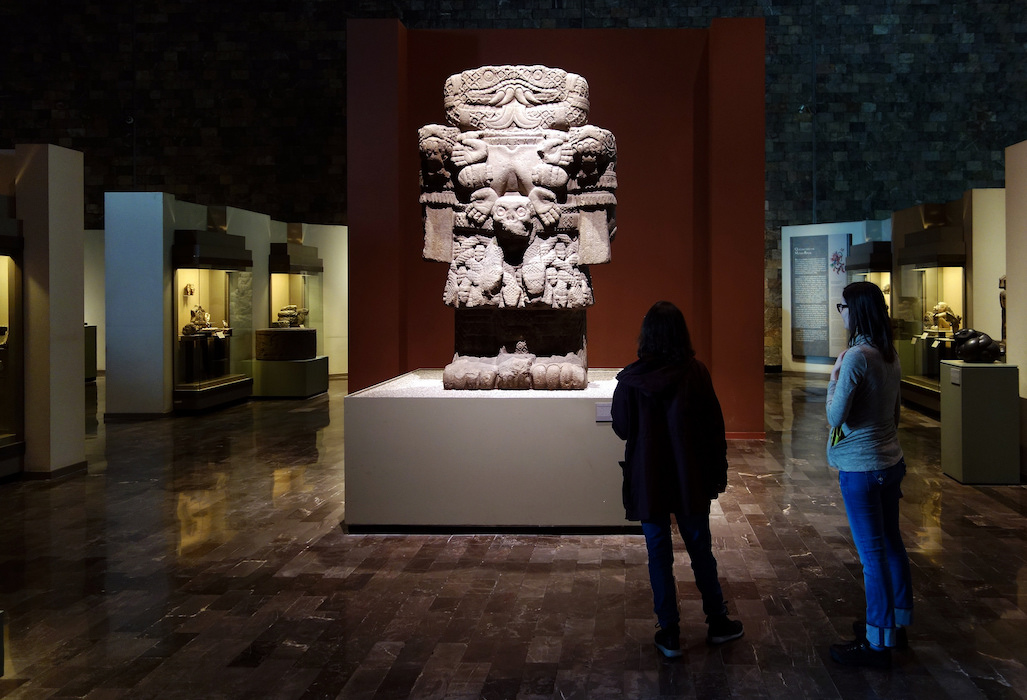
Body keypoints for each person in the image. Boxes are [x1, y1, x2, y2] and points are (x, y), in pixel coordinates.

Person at [612, 301, 744, 658]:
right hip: (690, 476)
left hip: (650, 477)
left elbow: (622, 428)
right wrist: (719, 474)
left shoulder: (631, 379)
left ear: (647, 334)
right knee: (701, 549)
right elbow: (714, 429)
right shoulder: (696, 373)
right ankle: (717, 621)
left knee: (658, 554)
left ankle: (668, 631)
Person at [827, 281, 912, 669]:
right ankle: (898, 624)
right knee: (892, 545)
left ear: (855, 311)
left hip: (861, 468)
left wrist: (834, 377)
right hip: (890, 462)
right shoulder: (888, 354)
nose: (840, 311)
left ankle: (877, 641)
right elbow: (894, 414)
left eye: (843, 306)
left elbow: (834, 415)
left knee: (872, 556)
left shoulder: (857, 358)